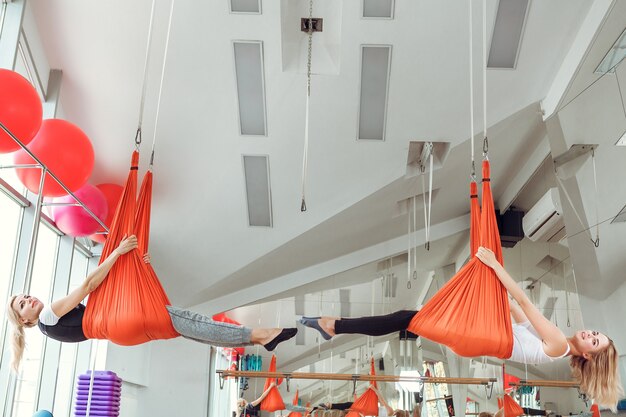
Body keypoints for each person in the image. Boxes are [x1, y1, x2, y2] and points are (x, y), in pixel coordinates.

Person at [300, 246, 623, 411]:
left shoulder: (558, 344)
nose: (590, 334)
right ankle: (334, 326)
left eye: (594, 342)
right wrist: (486, 277)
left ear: (590, 356)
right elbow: (514, 311)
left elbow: (524, 303)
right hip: (480, 336)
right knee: (405, 317)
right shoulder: (555, 343)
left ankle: (335, 326)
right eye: (596, 333)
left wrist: (496, 267)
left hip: (479, 336)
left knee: (407, 317)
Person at [7, 235, 297, 372]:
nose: (29, 299)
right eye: (22, 304)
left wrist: (141, 270)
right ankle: (259, 335)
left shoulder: (51, 330)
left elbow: (100, 296)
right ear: (24, 320)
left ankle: (259, 338)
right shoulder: (46, 317)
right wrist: (118, 251)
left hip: (117, 332)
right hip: (118, 321)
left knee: (185, 326)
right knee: (188, 321)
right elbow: (88, 286)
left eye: (25, 295)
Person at [236, 382, 311, 417]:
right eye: (243, 400)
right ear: (242, 403)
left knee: (288, 406)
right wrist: (271, 386)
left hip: (268, 406)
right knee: (289, 406)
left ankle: (306, 409)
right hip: (269, 404)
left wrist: (273, 389)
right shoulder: (249, 405)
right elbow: (262, 397)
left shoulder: (245, 411)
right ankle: (306, 409)